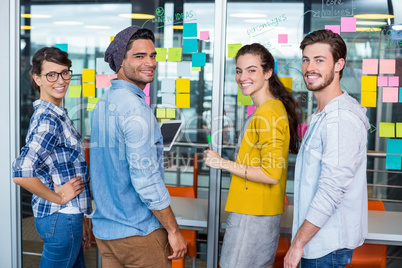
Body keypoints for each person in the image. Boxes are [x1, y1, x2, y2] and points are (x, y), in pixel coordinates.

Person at [90, 25, 187, 267]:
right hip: (139, 235)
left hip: (106, 233)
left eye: (152, 55)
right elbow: (146, 181)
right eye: (139, 56)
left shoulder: (103, 103)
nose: (150, 62)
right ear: (120, 62)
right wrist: (173, 231)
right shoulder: (136, 110)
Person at [204, 43, 300, 268]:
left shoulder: (269, 112)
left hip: (253, 215)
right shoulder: (268, 110)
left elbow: (270, 173)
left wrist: (222, 163)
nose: (242, 77)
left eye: (251, 70)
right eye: (239, 71)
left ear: (268, 73)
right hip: (257, 212)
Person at [284, 29, 370, 268]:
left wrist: (297, 244)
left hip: (325, 248)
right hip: (317, 243)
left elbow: (331, 190)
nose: (310, 67)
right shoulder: (323, 114)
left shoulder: (341, 119)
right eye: (306, 59)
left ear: (338, 65)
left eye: (319, 60)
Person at [12, 47, 92, 267]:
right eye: (51, 74)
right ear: (37, 79)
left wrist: (79, 217)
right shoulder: (49, 119)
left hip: (67, 217)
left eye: (65, 72)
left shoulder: (55, 114)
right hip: (61, 217)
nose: (60, 80)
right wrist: (59, 198)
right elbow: (21, 172)